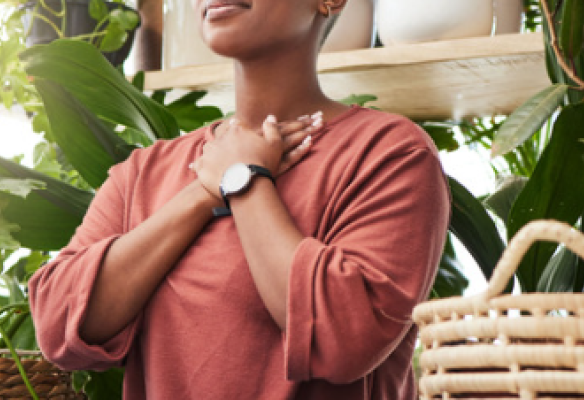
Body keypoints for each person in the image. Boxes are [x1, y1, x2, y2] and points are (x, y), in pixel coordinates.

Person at [28, 0, 450, 398]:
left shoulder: (388, 154)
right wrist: (202, 192)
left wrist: (244, 181)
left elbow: (341, 340)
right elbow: (58, 324)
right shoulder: (145, 172)